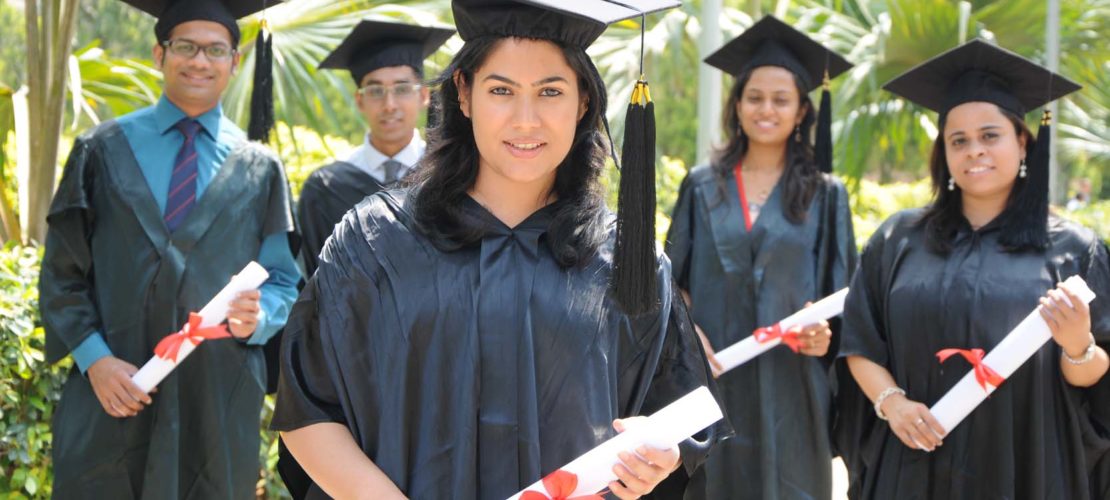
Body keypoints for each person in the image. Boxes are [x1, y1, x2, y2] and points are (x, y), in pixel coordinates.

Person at [271, 1, 727, 498]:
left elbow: (676, 416)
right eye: (501, 90)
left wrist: (656, 458)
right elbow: (308, 408)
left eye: (550, 91)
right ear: (463, 94)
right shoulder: (376, 241)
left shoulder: (623, 259)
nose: (525, 120)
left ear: (584, 103)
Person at [38, 0, 300, 497]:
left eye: (216, 50)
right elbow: (62, 274)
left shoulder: (259, 168)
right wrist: (95, 361)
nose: (200, 61)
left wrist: (258, 315)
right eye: (186, 47)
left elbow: (284, 279)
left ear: (235, 62)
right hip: (113, 392)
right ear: (159, 54)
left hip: (215, 399)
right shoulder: (100, 150)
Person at [836, 39, 1110, 499]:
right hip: (915, 452)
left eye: (990, 135)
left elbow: (1095, 374)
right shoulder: (898, 239)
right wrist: (893, 404)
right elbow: (861, 342)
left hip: (1024, 458)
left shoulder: (1071, 248)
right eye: (957, 140)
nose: (974, 151)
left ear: (1022, 142)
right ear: (943, 153)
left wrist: (1076, 343)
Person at [664, 15, 857, 500]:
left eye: (780, 99)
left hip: (793, 384)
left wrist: (825, 337)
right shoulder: (701, 185)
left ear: (801, 112)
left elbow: (845, 296)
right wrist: (692, 334)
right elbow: (671, 282)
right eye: (755, 97)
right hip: (714, 380)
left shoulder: (826, 194)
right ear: (737, 105)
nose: (766, 108)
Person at [299, 19, 454, 277]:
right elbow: (318, 285)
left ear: (424, 96)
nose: (389, 104)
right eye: (375, 90)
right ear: (359, 100)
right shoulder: (326, 189)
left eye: (402, 88)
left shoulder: (450, 173)